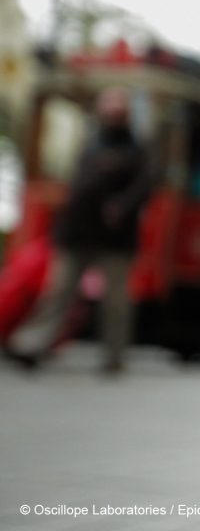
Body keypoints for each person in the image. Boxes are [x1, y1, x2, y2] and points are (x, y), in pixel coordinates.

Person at [7, 87, 153, 374]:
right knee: (57, 292)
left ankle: (115, 356)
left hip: (115, 238)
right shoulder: (91, 142)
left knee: (115, 302)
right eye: (108, 105)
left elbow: (144, 187)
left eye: (117, 106)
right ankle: (31, 346)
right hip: (76, 232)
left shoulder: (136, 149)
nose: (112, 111)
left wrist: (122, 207)